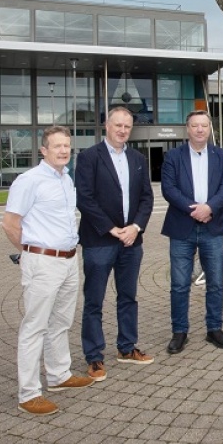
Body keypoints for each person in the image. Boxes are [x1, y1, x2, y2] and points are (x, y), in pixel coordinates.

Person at [2, 126, 94, 416]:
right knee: (35, 327)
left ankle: (59, 376)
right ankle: (28, 393)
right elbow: (10, 223)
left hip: (68, 260)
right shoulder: (29, 181)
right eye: (57, 146)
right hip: (43, 262)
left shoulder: (66, 179)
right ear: (43, 150)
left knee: (60, 322)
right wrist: (29, 253)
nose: (64, 151)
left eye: (67, 146)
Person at [75, 107, 155, 382]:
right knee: (94, 300)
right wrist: (111, 229)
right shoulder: (88, 158)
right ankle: (94, 356)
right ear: (106, 125)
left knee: (128, 297)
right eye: (118, 125)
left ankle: (127, 347)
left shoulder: (137, 158)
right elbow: (84, 199)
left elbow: (147, 197)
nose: (122, 130)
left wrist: (135, 227)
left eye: (127, 126)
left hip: (132, 241)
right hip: (99, 240)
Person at [161, 110, 223, 355]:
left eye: (204, 125)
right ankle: (179, 331)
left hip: (212, 226)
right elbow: (169, 189)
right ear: (188, 128)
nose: (200, 129)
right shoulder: (173, 156)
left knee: (215, 282)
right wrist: (194, 209)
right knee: (180, 284)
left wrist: (209, 208)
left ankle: (214, 329)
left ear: (209, 128)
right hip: (182, 227)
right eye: (195, 125)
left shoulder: (220, 155)